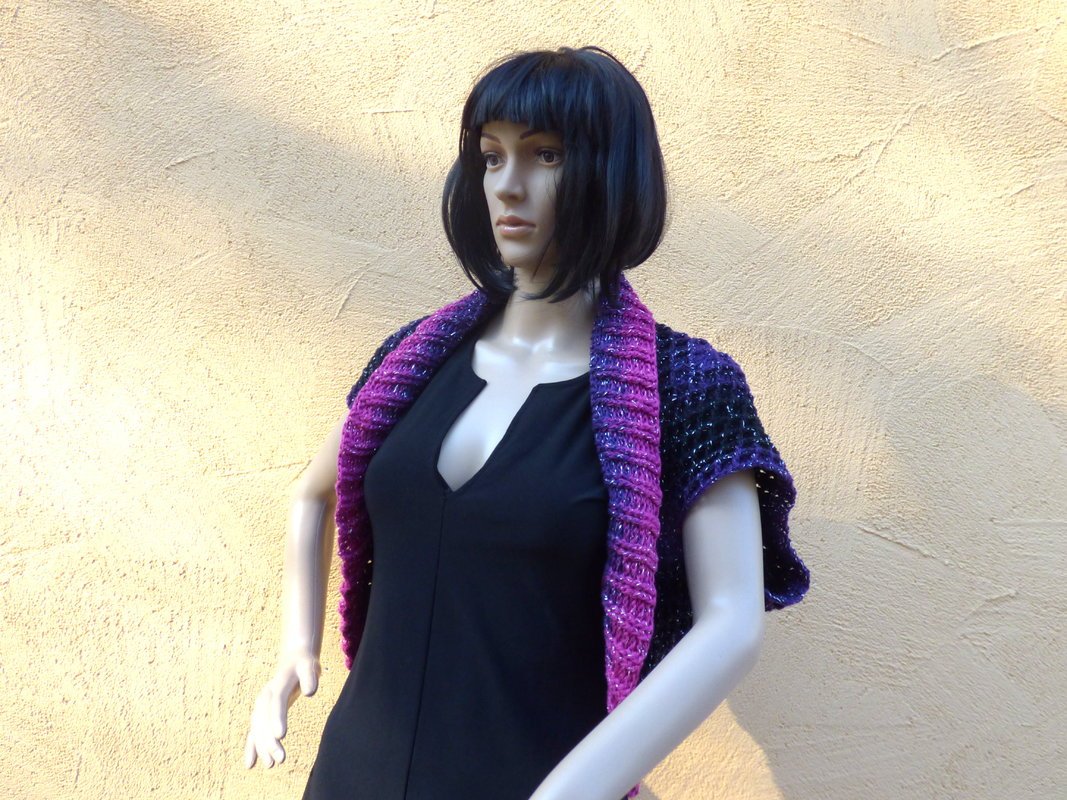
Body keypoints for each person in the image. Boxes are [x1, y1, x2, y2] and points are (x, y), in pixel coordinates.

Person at [244, 45, 810, 800]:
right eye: (491, 156)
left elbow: (731, 625)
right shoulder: (411, 361)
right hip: (354, 772)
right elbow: (315, 493)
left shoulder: (685, 388)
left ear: (612, 172)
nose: (508, 185)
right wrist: (297, 647)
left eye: (545, 155)